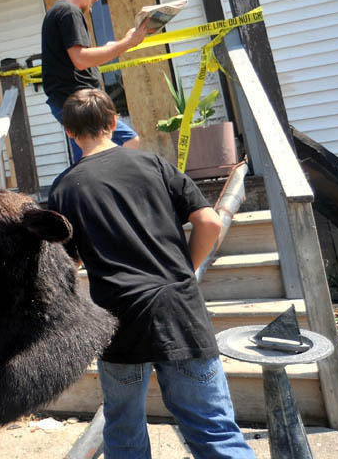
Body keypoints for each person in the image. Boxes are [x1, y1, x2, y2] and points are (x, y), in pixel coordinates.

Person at [48, 89, 255, 459]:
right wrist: (187, 270)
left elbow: (67, 262)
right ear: (114, 124)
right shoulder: (154, 165)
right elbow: (208, 221)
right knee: (214, 430)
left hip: (118, 320)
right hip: (180, 312)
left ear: (68, 132)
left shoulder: (64, 188)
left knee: (124, 430)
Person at [41, 0, 150, 163]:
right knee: (129, 141)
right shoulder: (69, 12)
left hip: (70, 102)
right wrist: (127, 43)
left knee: (86, 160)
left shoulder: (57, 11)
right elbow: (81, 59)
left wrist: (114, 45)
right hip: (80, 104)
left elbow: (77, 57)